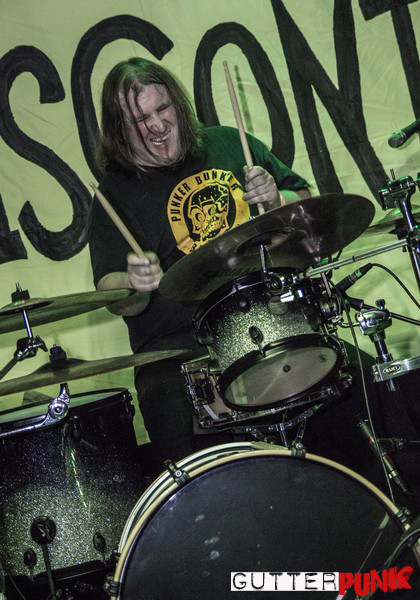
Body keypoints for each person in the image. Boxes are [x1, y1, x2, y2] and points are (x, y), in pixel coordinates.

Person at [88, 57, 310, 474]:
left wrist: (278, 199)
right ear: (119, 129)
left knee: (356, 382)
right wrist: (133, 282)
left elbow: (307, 207)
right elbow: (112, 294)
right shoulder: (113, 196)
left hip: (267, 317)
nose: (157, 126)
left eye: (163, 109)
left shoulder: (227, 143)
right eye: (140, 120)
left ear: (178, 103)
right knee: (176, 431)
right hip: (178, 352)